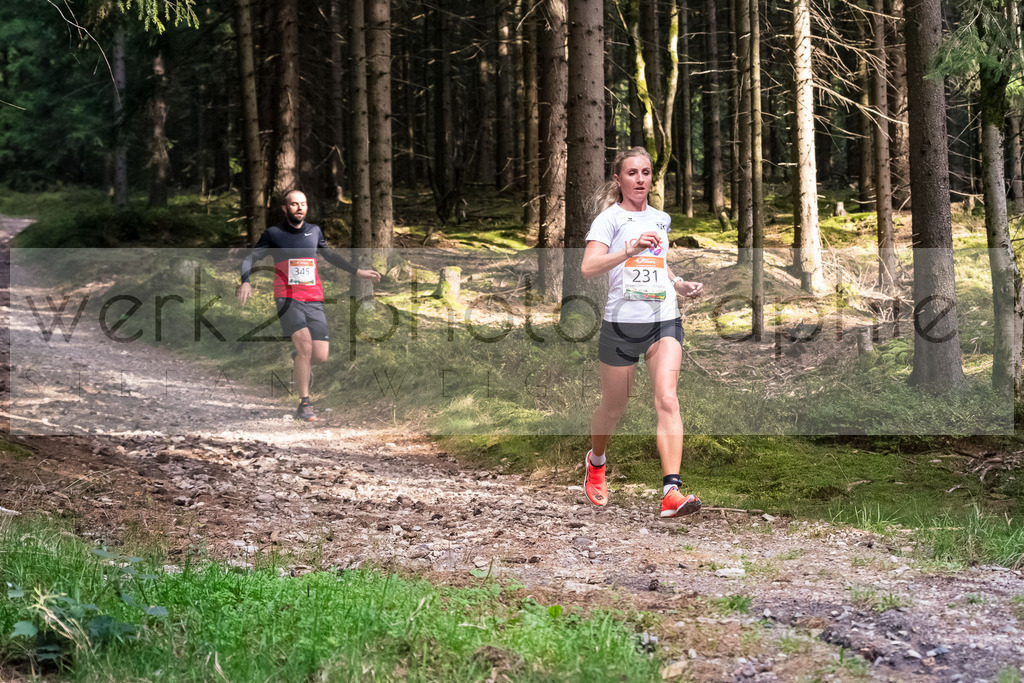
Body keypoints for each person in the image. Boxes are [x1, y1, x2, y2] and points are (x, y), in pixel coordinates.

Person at [580, 147, 704, 518]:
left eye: (646, 173)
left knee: (667, 399)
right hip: (620, 324)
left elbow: (659, 263)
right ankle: (596, 462)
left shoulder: (661, 219)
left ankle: (671, 492)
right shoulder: (608, 220)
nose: (640, 179)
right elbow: (588, 268)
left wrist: (678, 283)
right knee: (613, 407)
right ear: (618, 180)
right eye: (632, 173)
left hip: (663, 319)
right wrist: (627, 250)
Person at [237, 190, 381, 421]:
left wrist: (358, 272)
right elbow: (249, 258)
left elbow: (330, 255)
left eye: (303, 203)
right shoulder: (273, 234)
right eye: (294, 204)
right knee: (305, 345)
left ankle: (299, 360)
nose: (299, 208)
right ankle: (304, 405)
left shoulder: (314, 231)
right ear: (285, 209)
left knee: (320, 356)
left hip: (314, 297)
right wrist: (245, 281)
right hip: (287, 297)